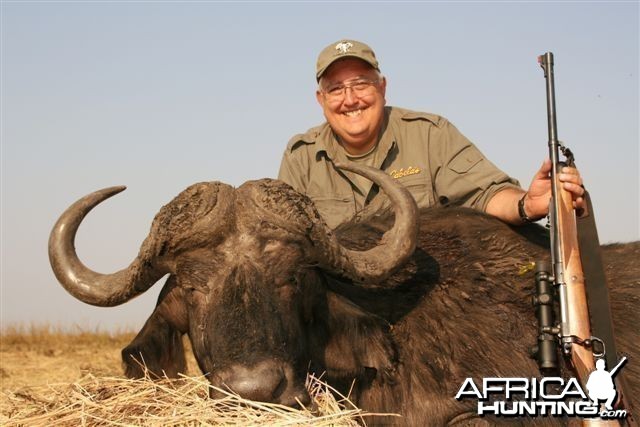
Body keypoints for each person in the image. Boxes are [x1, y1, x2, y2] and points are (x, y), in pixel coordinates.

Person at [278, 39, 585, 230]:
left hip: (424, 303)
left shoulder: (429, 133)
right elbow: (283, 240)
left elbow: (483, 194)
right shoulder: (301, 155)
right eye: (336, 89)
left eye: (361, 84)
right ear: (321, 100)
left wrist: (527, 205)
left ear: (382, 88)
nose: (350, 99)